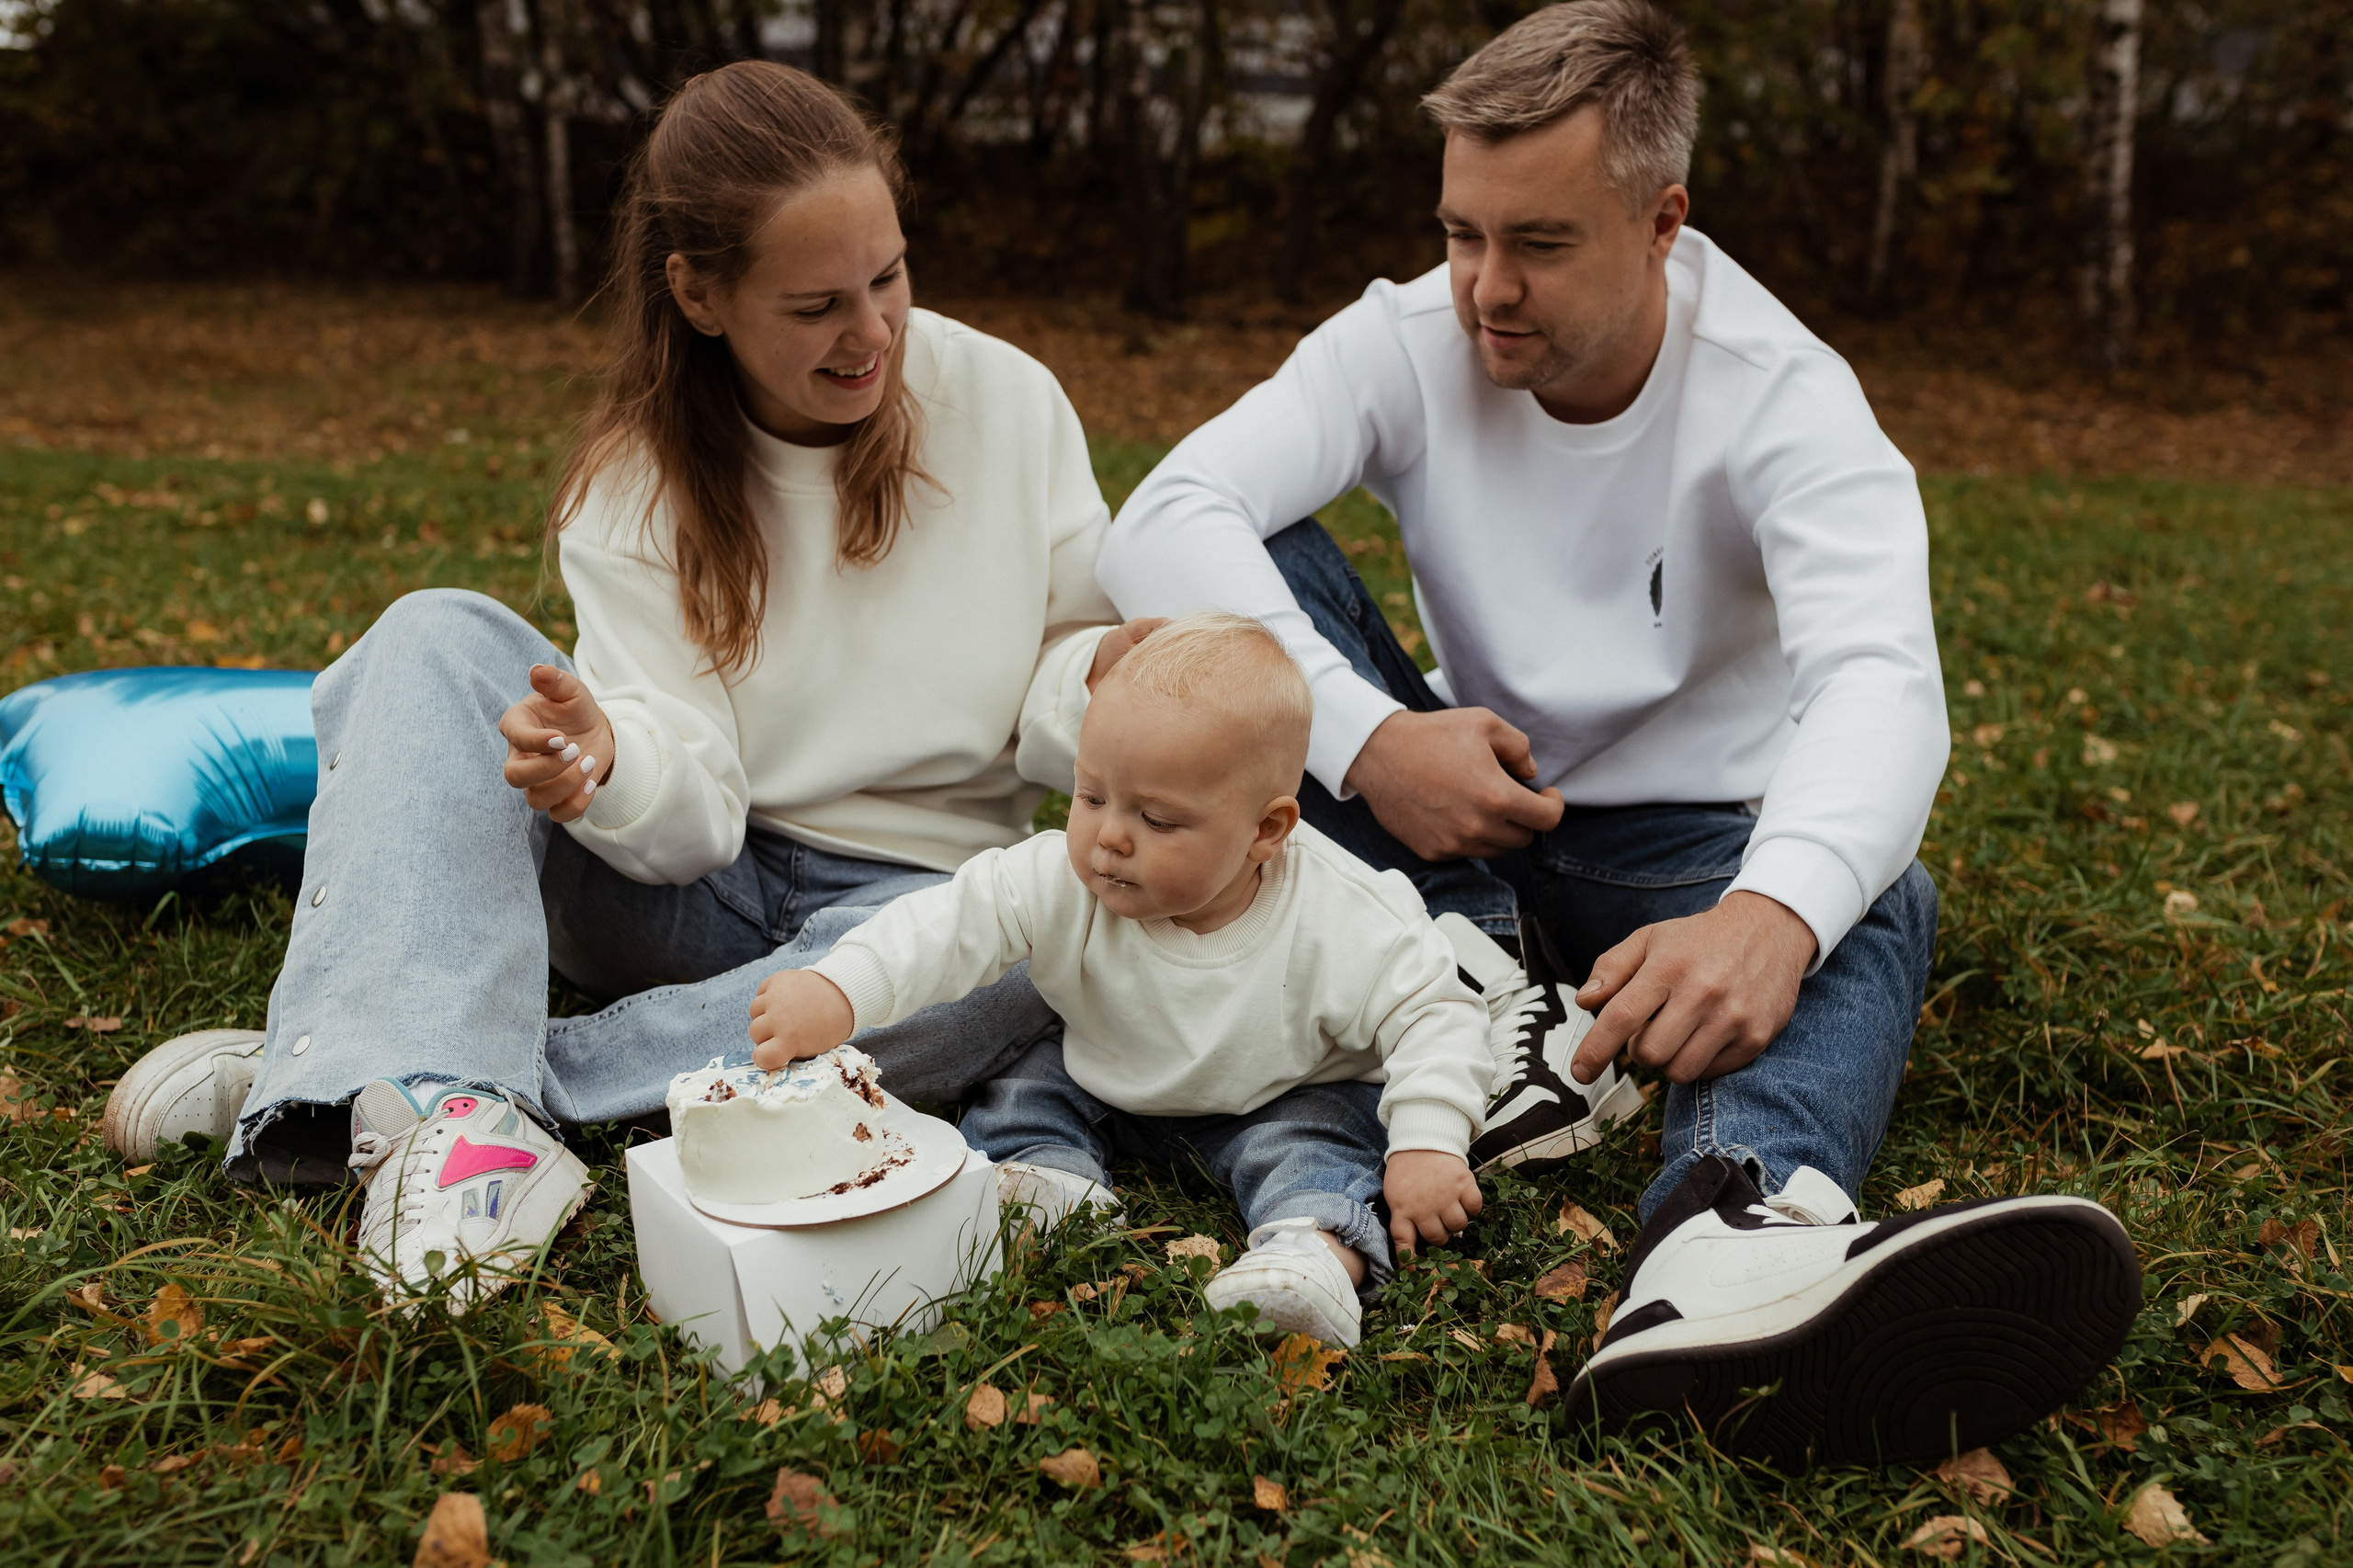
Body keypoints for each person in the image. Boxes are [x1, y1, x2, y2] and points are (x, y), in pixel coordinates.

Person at [1097, 1, 2140, 1464]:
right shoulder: (1409, 335)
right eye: (1462, 232)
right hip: (1441, 815)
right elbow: (1163, 516)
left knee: (1867, 897)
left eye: (1540, 243)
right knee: (1265, 567)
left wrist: (1770, 916)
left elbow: (1881, 680)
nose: (1484, 287)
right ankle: (1473, 987)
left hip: (1676, 857)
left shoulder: (1785, 393)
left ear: (1662, 222)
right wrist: (1370, 742)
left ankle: (1721, 1242)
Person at [101, 61, 1156, 1310]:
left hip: (909, 910)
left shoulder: (1008, 401)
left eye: (890, 276)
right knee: (432, 634)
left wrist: (1101, 681)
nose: (871, 332)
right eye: (817, 303)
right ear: (700, 294)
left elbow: (1060, 679)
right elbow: (693, 800)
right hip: (690, 891)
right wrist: (605, 758)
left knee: (1037, 954)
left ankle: (395, 1078)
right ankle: (429, 1086)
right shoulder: (637, 481)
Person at [745, 613, 1495, 1348]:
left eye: (1157, 819)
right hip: (1107, 1074)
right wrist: (840, 989)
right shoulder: (1060, 877)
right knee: (1026, 1088)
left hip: (1281, 1090)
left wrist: (1428, 1143)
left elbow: (1434, 1010)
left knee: (1317, 1151)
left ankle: (1311, 1259)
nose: (1108, 837)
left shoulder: (1344, 915)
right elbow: (948, 924)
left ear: (1265, 831)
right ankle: (1049, 1183)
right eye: (1091, 795)